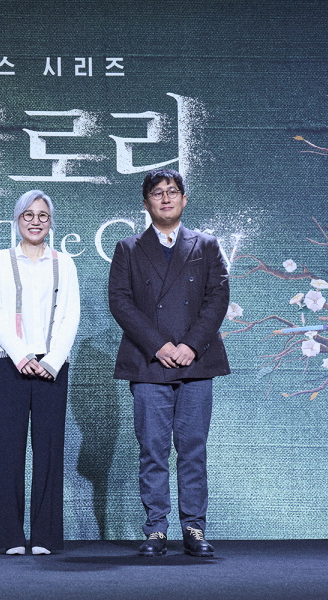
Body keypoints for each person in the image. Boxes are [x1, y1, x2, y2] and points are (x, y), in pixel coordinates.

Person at [108, 168, 230, 557]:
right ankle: (156, 530)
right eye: (158, 193)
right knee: (153, 450)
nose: (166, 198)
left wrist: (191, 345)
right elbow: (120, 302)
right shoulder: (128, 248)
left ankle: (194, 528)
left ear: (184, 199)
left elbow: (218, 298)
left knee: (193, 449)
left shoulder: (206, 245)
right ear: (146, 203)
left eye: (173, 191)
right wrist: (158, 345)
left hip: (196, 362)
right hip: (149, 363)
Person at [0, 190, 80, 555]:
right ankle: (10, 536)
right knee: (10, 449)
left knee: (49, 450)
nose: (35, 221)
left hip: (52, 364)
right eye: (28, 215)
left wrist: (52, 361)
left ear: (50, 223)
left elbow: (70, 314)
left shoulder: (63, 263)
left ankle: (45, 537)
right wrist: (21, 355)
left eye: (43, 216)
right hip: (9, 362)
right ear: (17, 220)